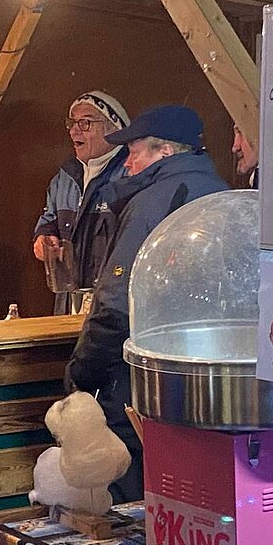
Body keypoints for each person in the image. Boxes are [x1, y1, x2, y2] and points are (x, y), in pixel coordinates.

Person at [65, 105, 228, 502]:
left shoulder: (152, 202)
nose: (128, 163)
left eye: (135, 152)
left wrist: (82, 370)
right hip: (210, 386)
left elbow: (117, 302)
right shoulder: (222, 195)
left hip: (143, 381)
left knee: (135, 497)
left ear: (165, 152)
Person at [32, 91, 129, 314]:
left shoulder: (130, 174)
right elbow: (49, 220)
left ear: (114, 128)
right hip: (68, 304)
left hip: (113, 308)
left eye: (85, 123)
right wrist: (43, 238)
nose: (74, 131)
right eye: (72, 123)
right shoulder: (64, 177)